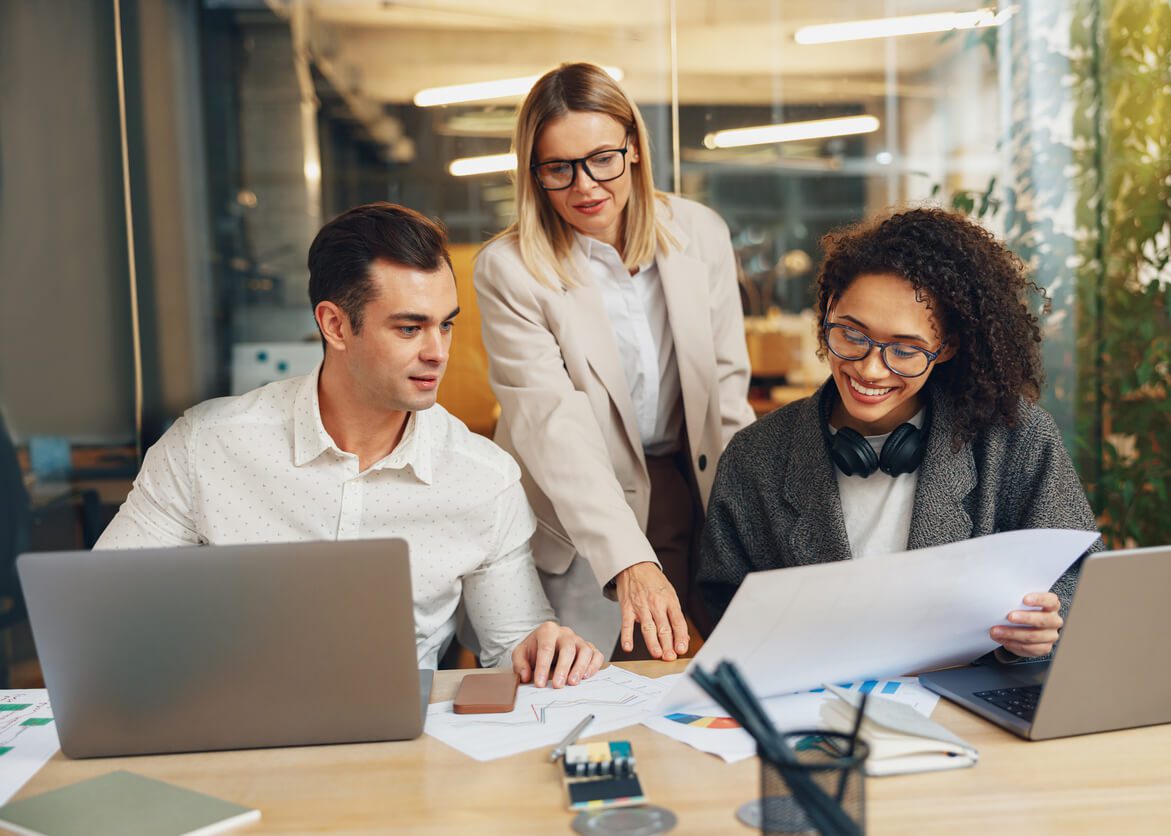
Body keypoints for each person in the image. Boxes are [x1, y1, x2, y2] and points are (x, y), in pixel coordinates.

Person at [96, 202, 603, 688]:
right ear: (335, 325)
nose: (438, 353)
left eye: (445, 324)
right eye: (410, 328)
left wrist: (545, 649)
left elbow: (511, 643)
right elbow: (106, 608)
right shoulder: (206, 446)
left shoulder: (483, 477)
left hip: (400, 749)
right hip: (226, 732)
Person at [697, 208, 1103, 661]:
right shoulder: (758, 456)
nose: (870, 369)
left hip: (971, 708)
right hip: (813, 709)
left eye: (906, 350)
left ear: (946, 346)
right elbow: (722, 606)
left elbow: (1079, 580)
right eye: (852, 335)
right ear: (827, 310)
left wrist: (1046, 626)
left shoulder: (1015, 438)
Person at [474, 63, 756, 662]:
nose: (585, 186)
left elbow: (727, 393)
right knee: (587, 690)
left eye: (602, 157)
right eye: (558, 168)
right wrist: (627, 558)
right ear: (534, 172)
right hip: (578, 517)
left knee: (692, 685)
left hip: (686, 492)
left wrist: (754, 521)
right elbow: (552, 424)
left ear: (633, 148)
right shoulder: (509, 268)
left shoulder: (700, 233)